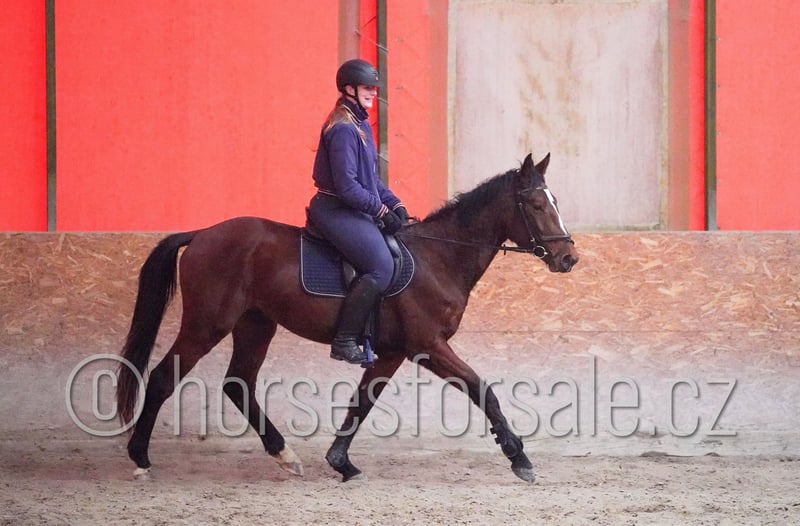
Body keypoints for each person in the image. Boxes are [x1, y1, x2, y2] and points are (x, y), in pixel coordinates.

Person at [306, 59, 410, 365]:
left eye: (375, 88)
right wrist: (380, 210)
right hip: (334, 210)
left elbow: (371, 180)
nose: (373, 93)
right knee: (381, 266)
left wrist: (395, 204)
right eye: (367, 87)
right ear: (349, 89)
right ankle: (344, 340)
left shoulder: (361, 124)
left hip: (352, 208)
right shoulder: (342, 128)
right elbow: (348, 187)